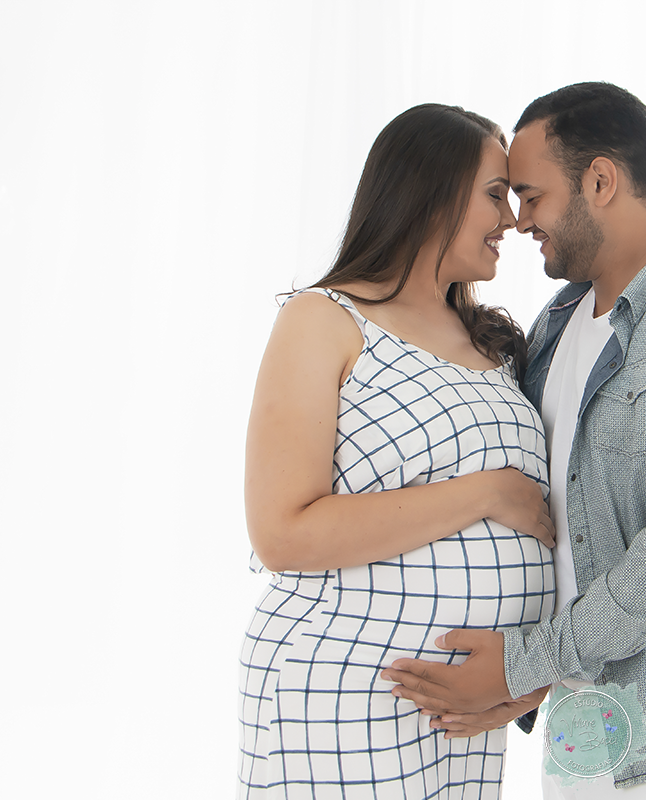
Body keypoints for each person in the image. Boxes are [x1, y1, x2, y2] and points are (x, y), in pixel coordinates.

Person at [383, 83, 646, 799]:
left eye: (531, 195)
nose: (518, 220)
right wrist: (537, 671)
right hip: (585, 702)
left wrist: (522, 662)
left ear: (601, 181)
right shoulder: (558, 322)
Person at [237, 103, 556, 799]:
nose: (511, 220)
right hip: (345, 683)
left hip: (465, 707)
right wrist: (486, 492)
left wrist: (527, 678)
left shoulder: (494, 343)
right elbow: (282, 533)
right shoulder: (324, 320)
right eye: (494, 194)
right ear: (431, 193)